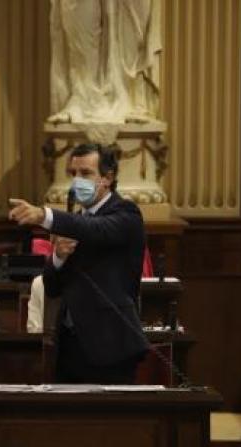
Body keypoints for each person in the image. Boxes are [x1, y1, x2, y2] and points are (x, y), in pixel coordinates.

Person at [9, 143, 148, 384]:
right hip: (70, 346)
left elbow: (96, 229)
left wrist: (44, 215)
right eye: (73, 173)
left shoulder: (126, 213)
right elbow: (52, 287)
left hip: (110, 346)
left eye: (85, 173)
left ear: (107, 178)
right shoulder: (75, 221)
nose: (77, 181)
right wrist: (58, 257)